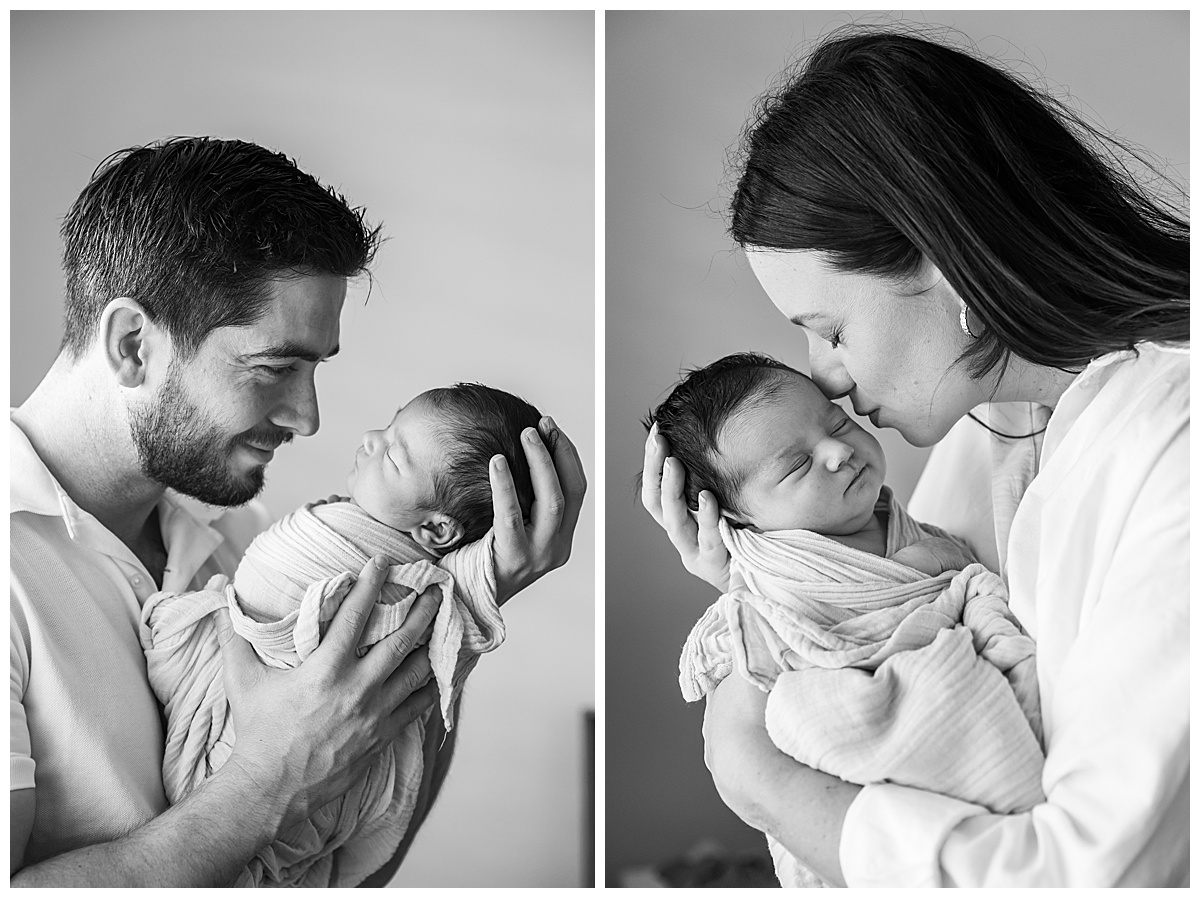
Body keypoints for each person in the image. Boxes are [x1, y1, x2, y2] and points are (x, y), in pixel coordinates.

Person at [641, 30, 1187, 887]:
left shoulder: (1176, 446)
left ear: (941, 259)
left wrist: (762, 782)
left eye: (830, 331)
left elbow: (1090, 876)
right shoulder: (995, 425)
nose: (826, 376)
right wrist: (773, 581)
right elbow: (907, 610)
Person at [10, 137, 586, 887]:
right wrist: (267, 783)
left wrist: (454, 601)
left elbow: (355, 866)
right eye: (277, 367)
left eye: (314, 368)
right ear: (132, 345)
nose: (308, 418)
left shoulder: (247, 549)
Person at [646, 351, 1043, 887]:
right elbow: (757, 639)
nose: (837, 450)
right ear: (735, 517)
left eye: (837, 423)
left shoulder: (905, 524)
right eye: (796, 465)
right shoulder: (772, 584)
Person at [141, 382, 550, 886]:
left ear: (438, 534)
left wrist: (476, 594)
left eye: (395, 456)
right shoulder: (327, 529)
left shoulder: (396, 579)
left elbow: (396, 677)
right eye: (389, 422)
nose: (370, 438)